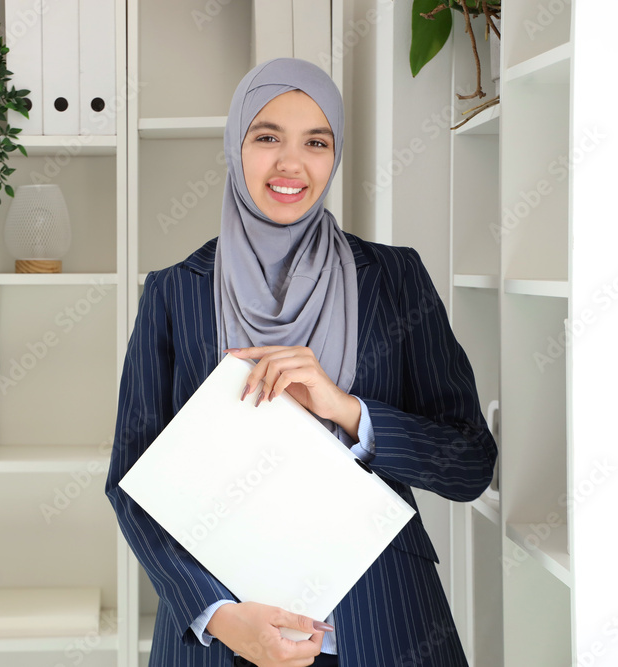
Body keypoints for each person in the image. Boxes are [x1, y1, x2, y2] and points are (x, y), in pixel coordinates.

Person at [105, 58, 497, 667]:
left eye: (316, 142)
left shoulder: (395, 280)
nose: (292, 164)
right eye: (267, 138)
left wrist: (348, 411)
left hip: (385, 625)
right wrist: (219, 616)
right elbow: (131, 483)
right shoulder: (174, 293)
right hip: (227, 637)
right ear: (237, 147)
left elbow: (470, 464)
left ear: (334, 155)